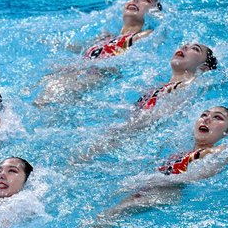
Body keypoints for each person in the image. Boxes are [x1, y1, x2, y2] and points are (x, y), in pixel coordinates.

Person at [79, 107, 228, 228]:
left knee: (107, 218)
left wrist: (160, 180)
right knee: (101, 216)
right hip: (152, 187)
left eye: (218, 117)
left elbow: (202, 175)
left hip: (166, 192)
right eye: (204, 114)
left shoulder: (219, 151)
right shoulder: (183, 152)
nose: (207, 119)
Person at [76, 43, 218, 161]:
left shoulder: (188, 87)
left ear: (203, 67)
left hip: (134, 140)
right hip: (125, 134)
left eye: (195, 49)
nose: (185, 47)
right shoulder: (158, 87)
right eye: (185, 45)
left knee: (81, 158)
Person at [35, 0, 162, 105]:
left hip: (97, 76)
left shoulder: (142, 36)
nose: (134, 0)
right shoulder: (106, 37)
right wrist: (48, 42)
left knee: (49, 97)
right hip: (76, 72)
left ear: (153, 12)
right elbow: (78, 48)